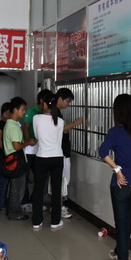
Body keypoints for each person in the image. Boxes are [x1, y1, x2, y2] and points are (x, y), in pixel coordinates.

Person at [98, 94, 131, 260]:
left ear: (117, 112)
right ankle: (119, 251)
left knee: (122, 223)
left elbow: (103, 152)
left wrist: (117, 170)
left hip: (121, 187)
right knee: (127, 221)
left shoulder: (115, 132)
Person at [31, 94, 64, 229]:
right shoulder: (60, 121)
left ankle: (37, 221)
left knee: (38, 189)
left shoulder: (36, 118)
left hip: (42, 156)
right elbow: (59, 141)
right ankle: (55, 221)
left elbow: (37, 136)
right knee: (56, 190)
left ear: (44, 104)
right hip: (57, 157)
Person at [3, 96, 35, 221]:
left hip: (12, 160)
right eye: (22, 109)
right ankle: (14, 212)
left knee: (15, 187)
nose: (24, 112)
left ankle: (12, 209)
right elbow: (16, 146)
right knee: (17, 188)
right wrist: (28, 143)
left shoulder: (11, 124)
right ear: (15, 110)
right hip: (16, 161)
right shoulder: (13, 127)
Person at [21, 88, 52, 211]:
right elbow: (26, 127)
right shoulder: (32, 112)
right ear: (41, 100)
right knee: (24, 176)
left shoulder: (50, 113)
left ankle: (35, 201)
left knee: (41, 176)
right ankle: (24, 201)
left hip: (42, 150)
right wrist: (28, 140)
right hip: (30, 149)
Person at [55, 87, 83, 219]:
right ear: (60, 99)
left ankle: (57, 206)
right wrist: (75, 123)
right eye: (67, 101)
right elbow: (60, 130)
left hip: (60, 151)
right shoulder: (55, 113)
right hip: (61, 152)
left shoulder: (56, 112)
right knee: (62, 180)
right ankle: (59, 208)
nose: (68, 104)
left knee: (60, 181)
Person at [0, 102, 11, 213]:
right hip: (4, 155)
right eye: (6, 113)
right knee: (3, 181)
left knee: (9, 181)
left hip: (11, 155)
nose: (8, 115)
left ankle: (6, 202)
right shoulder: (1, 124)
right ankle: (1, 204)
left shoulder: (13, 123)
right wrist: (5, 151)